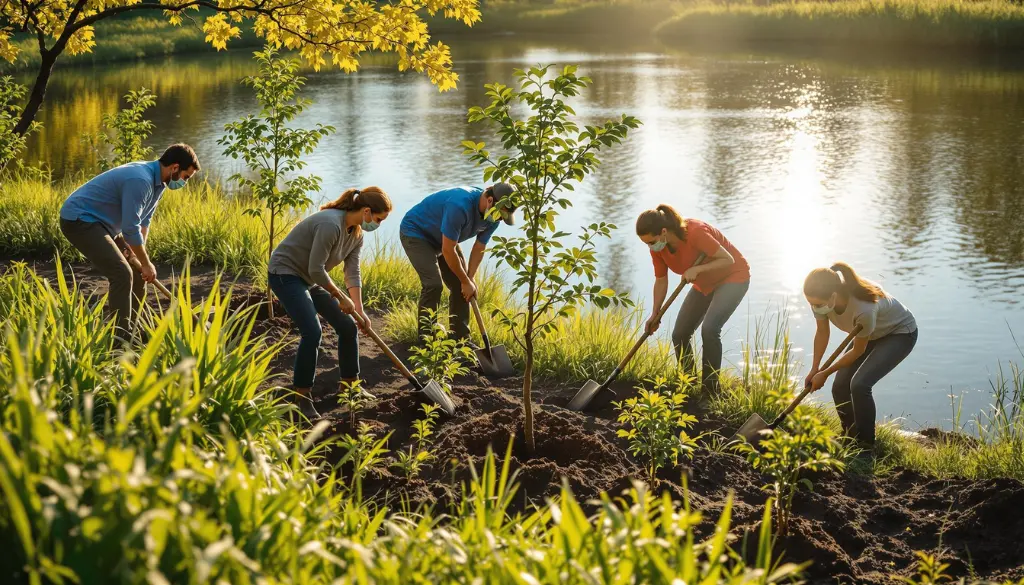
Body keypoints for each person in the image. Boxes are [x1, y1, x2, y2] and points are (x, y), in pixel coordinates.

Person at [268, 187, 392, 418]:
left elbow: (352, 272)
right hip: (285, 274)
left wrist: (360, 310)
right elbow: (317, 269)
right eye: (378, 219)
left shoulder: (356, 233)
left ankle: (350, 387)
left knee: (347, 326)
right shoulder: (330, 225)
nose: (378, 225)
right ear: (366, 211)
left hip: (308, 278)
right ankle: (302, 398)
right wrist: (340, 296)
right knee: (312, 332)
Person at [59, 144, 201, 340]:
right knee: (122, 273)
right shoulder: (140, 180)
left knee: (137, 272)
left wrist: (142, 260)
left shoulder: (160, 183)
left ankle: (132, 328)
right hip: (80, 220)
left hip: (104, 224)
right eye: (186, 177)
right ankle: (121, 338)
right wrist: (145, 262)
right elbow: (130, 228)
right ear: (175, 168)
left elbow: (144, 222)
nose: (185, 182)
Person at [804, 263, 918, 454]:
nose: (814, 308)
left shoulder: (864, 309)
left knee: (860, 385)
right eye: (810, 303)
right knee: (839, 385)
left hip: (898, 333)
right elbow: (822, 332)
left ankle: (866, 447)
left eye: (817, 304)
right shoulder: (822, 300)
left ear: (833, 296)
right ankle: (850, 436)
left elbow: (857, 351)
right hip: (869, 334)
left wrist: (825, 373)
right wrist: (815, 369)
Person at [636, 205, 750, 394]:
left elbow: (727, 259)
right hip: (704, 284)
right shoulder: (658, 248)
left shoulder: (696, 232)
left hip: (733, 277)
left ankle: (710, 391)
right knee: (679, 334)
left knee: (710, 329)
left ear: (663, 231)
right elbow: (661, 280)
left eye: (651, 241)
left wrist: (697, 270)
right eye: (646, 243)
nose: (650, 246)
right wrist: (655, 312)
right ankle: (688, 383)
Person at [399, 183, 515, 342]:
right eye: (501, 215)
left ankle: (460, 340)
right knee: (433, 284)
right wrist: (465, 280)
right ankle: (427, 340)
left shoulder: (493, 218)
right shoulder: (460, 206)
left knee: (463, 287)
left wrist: (470, 279)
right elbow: (448, 250)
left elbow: (479, 247)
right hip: (417, 232)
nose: (501, 219)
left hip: (445, 239)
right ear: (489, 201)